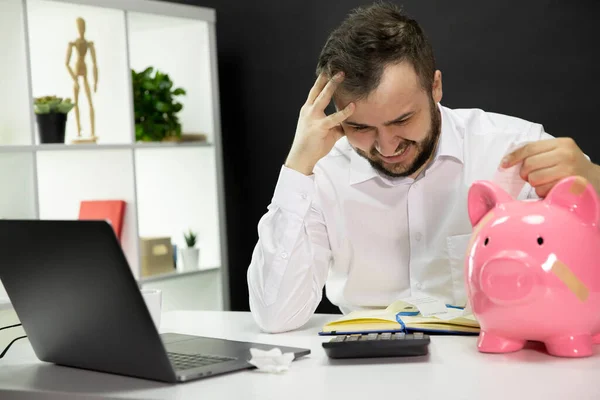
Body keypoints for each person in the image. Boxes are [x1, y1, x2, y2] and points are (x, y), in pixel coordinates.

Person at [247, 1, 600, 333]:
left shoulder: (512, 148)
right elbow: (276, 316)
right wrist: (296, 169)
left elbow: (584, 279)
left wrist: (594, 181)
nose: (386, 147)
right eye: (360, 127)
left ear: (435, 87)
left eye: (402, 119)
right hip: (362, 374)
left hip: (492, 364)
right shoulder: (322, 171)